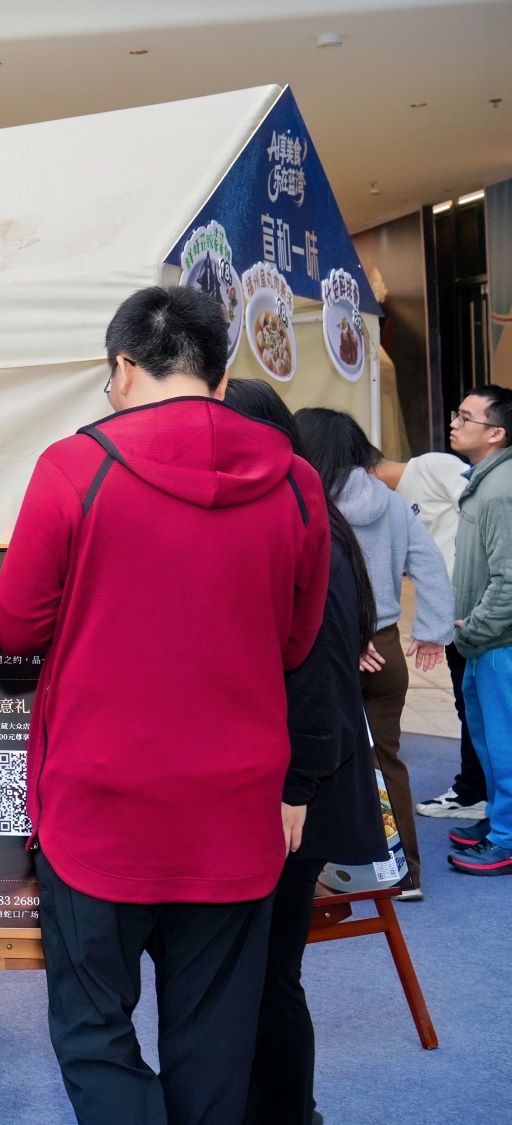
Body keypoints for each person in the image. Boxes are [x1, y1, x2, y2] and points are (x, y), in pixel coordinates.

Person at [0, 286, 331, 1125]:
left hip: (99, 806)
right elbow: (298, 640)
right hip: (234, 809)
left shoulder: (75, 467)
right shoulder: (296, 482)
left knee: (93, 1026)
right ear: (221, 376)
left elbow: (13, 624)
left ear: (124, 366)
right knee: (214, 1038)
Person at [226, 381, 386, 1125]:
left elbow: (318, 677)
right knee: (262, 973)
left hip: (298, 788)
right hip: (294, 779)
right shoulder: (303, 515)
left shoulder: (305, 524)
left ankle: (291, 1113)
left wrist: (296, 785)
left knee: (269, 976)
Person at [295, 408, 454, 897]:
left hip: (329, 642)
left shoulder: (307, 501)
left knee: (315, 757)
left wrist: (347, 632)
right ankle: (405, 875)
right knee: (387, 759)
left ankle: (322, 871)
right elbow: (429, 563)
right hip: (385, 647)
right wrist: (432, 630)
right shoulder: (390, 501)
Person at [379, 450, 489, 819]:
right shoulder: (395, 500)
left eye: (465, 420)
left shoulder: (432, 466)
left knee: (480, 706)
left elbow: (485, 516)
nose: (454, 425)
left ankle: (475, 793)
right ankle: (475, 790)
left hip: (476, 611)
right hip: (456, 615)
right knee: (469, 705)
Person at [448, 385, 512, 877]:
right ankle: (499, 822)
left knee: (504, 747)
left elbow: (509, 580)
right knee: (489, 743)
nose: (455, 423)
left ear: (496, 433)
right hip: (484, 642)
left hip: (497, 643)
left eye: (466, 417)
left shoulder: (501, 490)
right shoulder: (486, 481)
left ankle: (507, 840)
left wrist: (475, 628)